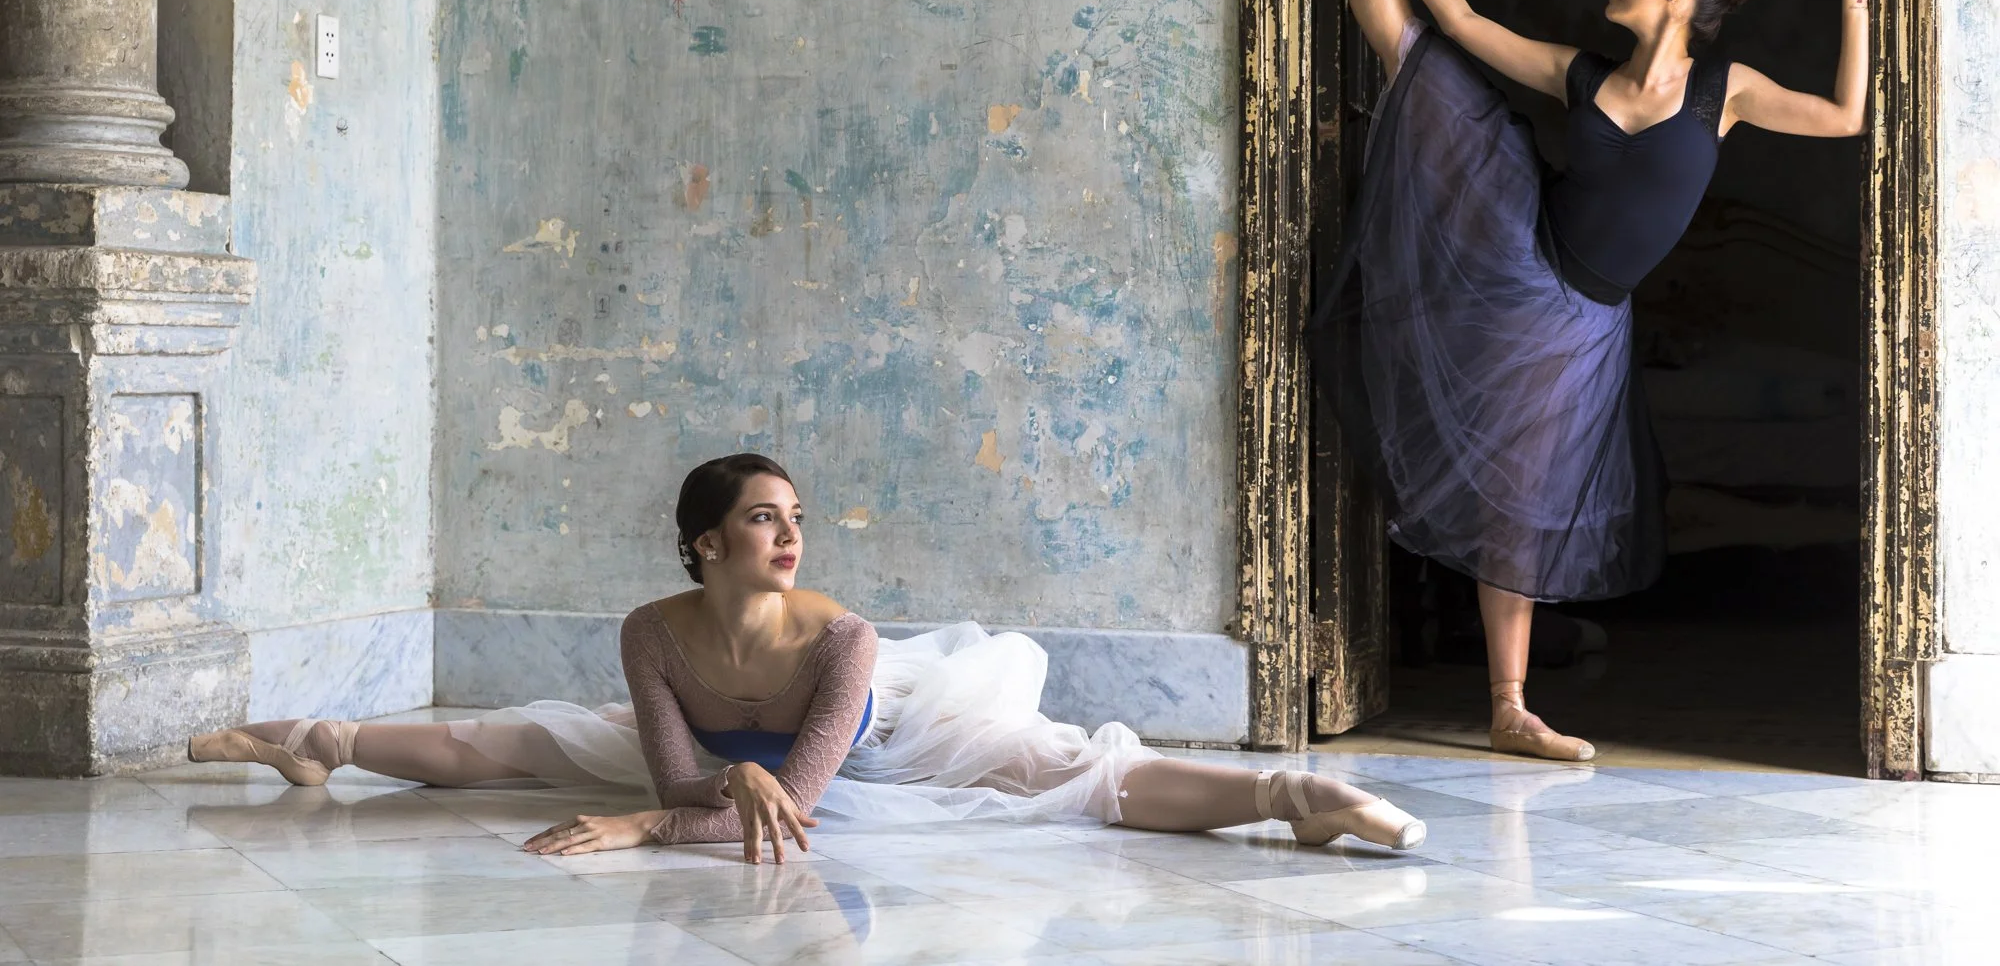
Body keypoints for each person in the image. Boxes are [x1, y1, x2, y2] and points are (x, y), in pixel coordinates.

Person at [1304, 0, 1883, 763]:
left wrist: (1854, 4)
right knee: (1413, 57)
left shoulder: (1724, 90)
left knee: (1518, 495)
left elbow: (1842, 117)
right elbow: (1464, 24)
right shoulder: (1583, 75)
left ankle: (1507, 706)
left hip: (1583, 319)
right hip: (1517, 248)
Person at [188, 453, 1426, 863]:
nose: (788, 534)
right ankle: (307, 739)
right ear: (702, 543)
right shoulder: (650, 633)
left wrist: (638, 828)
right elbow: (689, 782)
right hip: (736, 766)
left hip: (882, 738)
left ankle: (1291, 800)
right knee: (502, 741)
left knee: (1075, 774)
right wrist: (690, 793)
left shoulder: (843, 639)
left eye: (793, 518)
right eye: (761, 518)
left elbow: (805, 806)